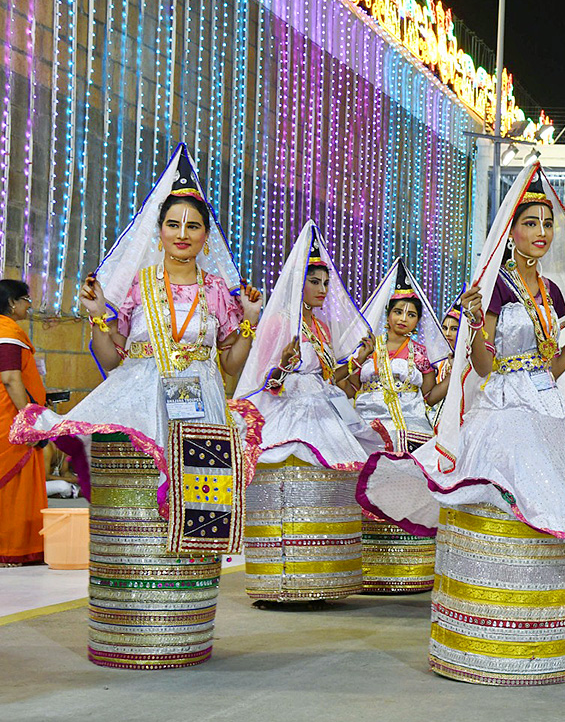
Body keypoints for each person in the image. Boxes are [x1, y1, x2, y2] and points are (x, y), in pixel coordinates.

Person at [361, 167, 565, 685]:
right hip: (502, 407)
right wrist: (476, 321)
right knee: (504, 507)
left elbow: (553, 366)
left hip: (545, 405)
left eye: (548, 222)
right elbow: (482, 367)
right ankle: (481, 637)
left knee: (552, 503)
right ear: (512, 230)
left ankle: (534, 633)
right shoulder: (493, 287)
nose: (542, 232)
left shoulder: (551, 291)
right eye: (531, 222)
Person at [12, 145, 262, 669]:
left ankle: (185, 623)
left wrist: (253, 319)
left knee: (198, 506)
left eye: (194, 226)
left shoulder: (218, 292)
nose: (182, 233)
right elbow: (110, 357)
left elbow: (233, 363)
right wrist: (97, 317)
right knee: (141, 502)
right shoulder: (138, 288)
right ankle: (130, 621)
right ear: (160, 230)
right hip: (142, 396)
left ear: (205, 236)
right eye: (173, 223)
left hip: (199, 400)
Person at [235, 222, 375, 607]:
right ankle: (279, 581)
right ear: (299, 283)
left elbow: (334, 379)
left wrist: (360, 359)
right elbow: (267, 382)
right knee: (287, 490)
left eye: (326, 283)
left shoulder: (323, 327)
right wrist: (282, 365)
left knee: (325, 490)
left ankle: (319, 578)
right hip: (288, 408)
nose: (323, 289)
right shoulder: (280, 323)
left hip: (323, 406)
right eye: (315, 281)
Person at [348, 259, 450, 594]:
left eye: (411, 314)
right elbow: (348, 387)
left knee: (408, 487)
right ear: (388, 313)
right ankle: (364, 564)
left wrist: (459, 375)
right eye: (399, 312)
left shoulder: (421, 353)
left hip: (410, 430)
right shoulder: (366, 347)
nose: (404, 319)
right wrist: (356, 360)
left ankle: (408, 565)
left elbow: (431, 395)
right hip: (368, 428)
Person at [0, 280, 46, 566]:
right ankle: (12, 548)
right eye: (26, 299)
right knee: (14, 483)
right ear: (12, 303)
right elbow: (10, 378)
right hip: (9, 421)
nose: (30, 305)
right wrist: (27, 418)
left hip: (11, 417)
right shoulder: (6, 332)